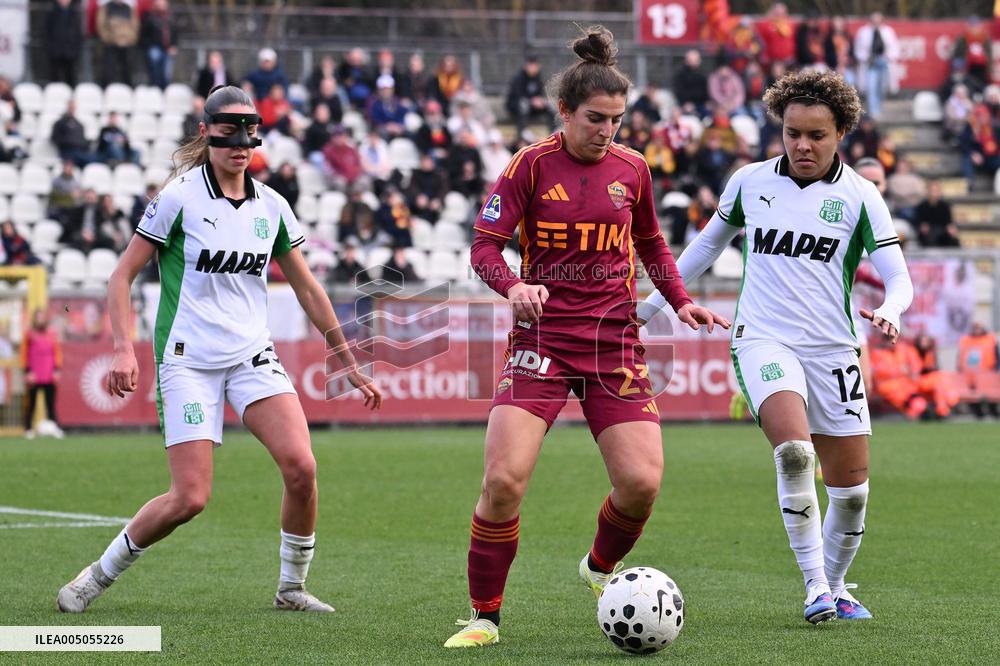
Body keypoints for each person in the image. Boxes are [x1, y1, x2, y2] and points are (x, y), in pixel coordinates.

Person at [444, 26, 728, 648]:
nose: (608, 131)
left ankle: (598, 570)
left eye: (617, 121)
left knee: (642, 484)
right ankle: (484, 618)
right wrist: (512, 287)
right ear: (565, 112)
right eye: (596, 119)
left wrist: (680, 301)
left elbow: (651, 241)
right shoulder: (530, 165)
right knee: (503, 482)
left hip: (612, 343)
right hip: (539, 340)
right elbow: (484, 245)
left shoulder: (633, 169)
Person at [56, 85, 382, 614]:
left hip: (251, 356)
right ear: (206, 131)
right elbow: (121, 276)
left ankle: (291, 588)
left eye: (249, 131)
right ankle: (97, 575)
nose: (240, 142)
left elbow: (307, 290)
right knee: (190, 498)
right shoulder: (178, 198)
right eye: (227, 131)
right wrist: (123, 349)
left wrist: (348, 359)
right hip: (187, 362)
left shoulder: (273, 206)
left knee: (302, 467)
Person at [639, 69, 913, 624]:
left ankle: (836, 586)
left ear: (841, 134)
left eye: (816, 135)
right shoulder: (749, 182)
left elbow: (898, 277)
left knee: (852, 493)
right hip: (764, 338)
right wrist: (645, 310)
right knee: (793, 452)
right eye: (792, 133)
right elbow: (702, 249)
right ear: (780, 129)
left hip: (835, 348)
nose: (802, 145)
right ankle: (815, 585)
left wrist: (890, 309)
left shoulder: (862, 197)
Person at [21, 308, 64, 439]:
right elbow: (24, 354)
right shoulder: (29, 334)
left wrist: (56, 370)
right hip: (34, 374)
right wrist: (27, 371)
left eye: (42, 317)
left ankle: (54, 427)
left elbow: (57, 353)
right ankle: (28, 429)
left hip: (49, 375)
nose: (40, 319)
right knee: (31, 404)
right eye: (38, 317)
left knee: (50, 404)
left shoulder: (52, 334)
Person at [853, 13, 899, 120]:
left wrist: (889, 56)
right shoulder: (864, 32)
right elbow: (858, 49)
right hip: (870, 64)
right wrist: (865, 57)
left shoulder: (888, 31)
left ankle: (880, 106)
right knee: (871, 87)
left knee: (882, 88)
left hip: (884, 63)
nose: (876, 22)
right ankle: (874, 111)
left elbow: (894, 47)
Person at [96, 0, 139, 87]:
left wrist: (131, 39)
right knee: (108, 71)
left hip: (127, 43)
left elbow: (135, 25)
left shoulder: (129, 8)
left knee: (128, 71)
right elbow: (100, 25)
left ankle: (129, 91)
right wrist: (107, 39)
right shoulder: (106, 8)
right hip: (111, 43)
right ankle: (106, 90)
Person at [44, 0, 83, 87]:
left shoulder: (74, 13)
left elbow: (78, 34)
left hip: (70, 52)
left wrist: (76, 49)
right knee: (55, 79)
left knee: (71, 79)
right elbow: (46, 33)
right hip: (55, 52)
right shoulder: (51, 11)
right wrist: (50, 48)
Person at [139, 0, 177, 89]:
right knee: (155, 65)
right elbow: (143, 35)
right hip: (154, 47)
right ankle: (154, 87)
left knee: (166, 72)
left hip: (168, 49)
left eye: (163, 4)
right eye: (159, 4)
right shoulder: (150, 18)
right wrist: (149, 45)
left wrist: (174, 46)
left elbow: (175, 34)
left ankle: (165, 89)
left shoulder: (171, 18)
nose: (161, 6)